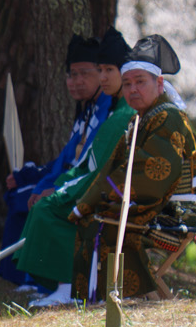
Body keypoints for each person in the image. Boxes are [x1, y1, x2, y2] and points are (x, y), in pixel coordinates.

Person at [70, 37, 196, 301]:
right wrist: (86, 203)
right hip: (151, 206)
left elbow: (153, 173)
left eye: (140, 82)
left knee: (109, 224)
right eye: (128, 83)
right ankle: (99, 297)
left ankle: (129, 298)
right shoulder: (140, 120)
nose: (132, 89)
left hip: (174, 214)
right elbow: (113, 169)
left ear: (159, 84)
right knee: (93, 218)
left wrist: (107, 197)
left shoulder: (169, 118)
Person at [13, 28, 134, 307]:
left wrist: (61, 192)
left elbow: (98, 170)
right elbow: (83, 162)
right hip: (98, 185)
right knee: (39, 204)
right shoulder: (113, 110)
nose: (103, 77)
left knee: (51, 210)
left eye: (109, 70)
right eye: (100, 70)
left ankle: (71, 287)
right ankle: (55, 284)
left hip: (112, 194)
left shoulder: (123, 113)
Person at [0, 35, 116, 287]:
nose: (76, 82)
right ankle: (23, 277)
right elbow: (66, 158)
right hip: (70, 180)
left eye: (85, 74)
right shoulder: (87, 110)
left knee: (37, 202)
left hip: (89, 187)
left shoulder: (111, 110)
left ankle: (45, 281)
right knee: (20, 194)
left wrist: (53, 188)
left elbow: (88, 164)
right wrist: (32, 177)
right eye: (71, 75)